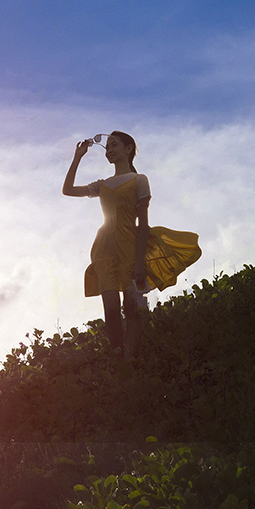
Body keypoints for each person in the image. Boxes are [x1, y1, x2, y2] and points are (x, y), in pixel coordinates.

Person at [62, 131, 201, 359]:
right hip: (103, 248)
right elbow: (67, 190)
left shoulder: (139, 180)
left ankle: (131, 360)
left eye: (114, 145)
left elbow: (143, 224)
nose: (109, 150)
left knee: (132, 307)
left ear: (128, 149)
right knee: (111, 310)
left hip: (129, 246)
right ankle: (119, 362)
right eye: (107, 146)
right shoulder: (102, 185)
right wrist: (78, 157)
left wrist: (139, 262)